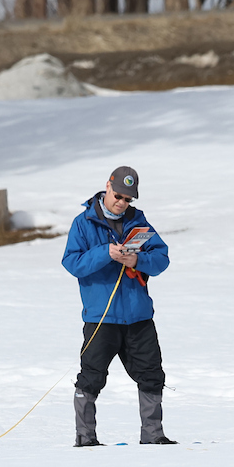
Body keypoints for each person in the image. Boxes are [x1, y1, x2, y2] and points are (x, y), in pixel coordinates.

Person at [62, 166, 177, 447]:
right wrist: (106, 253)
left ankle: (153, 436)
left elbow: (161, 259)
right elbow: (72, 263)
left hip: (138, 316)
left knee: (152, 374)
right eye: (118, 195)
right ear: (107, 187)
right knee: (91, 377)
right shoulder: (83, 222)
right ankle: (85, 438)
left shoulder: (139, 222)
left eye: (128, 199)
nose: (121, 203)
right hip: (101, 317)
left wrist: (137, 261)